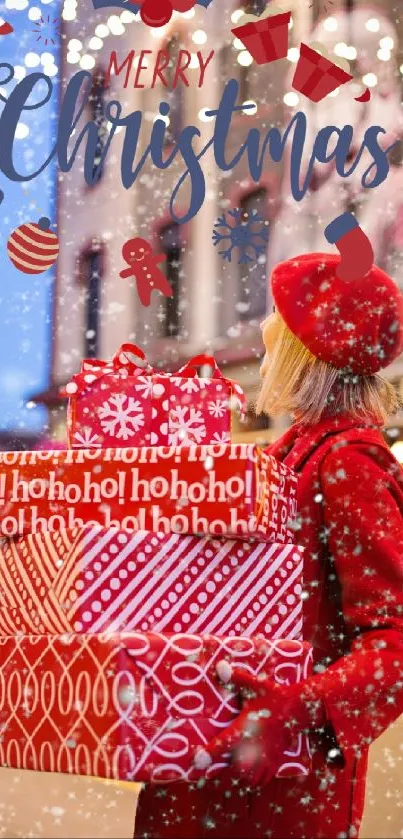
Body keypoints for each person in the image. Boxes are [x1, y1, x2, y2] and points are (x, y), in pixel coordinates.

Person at [134, 252, 403, 839]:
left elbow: (394, 641)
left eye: (278, 323)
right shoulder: (291, 454)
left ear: (312, 352)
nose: (265, 333)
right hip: (216, 761)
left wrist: (300, 707)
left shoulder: (348, 461)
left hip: (275, 786)